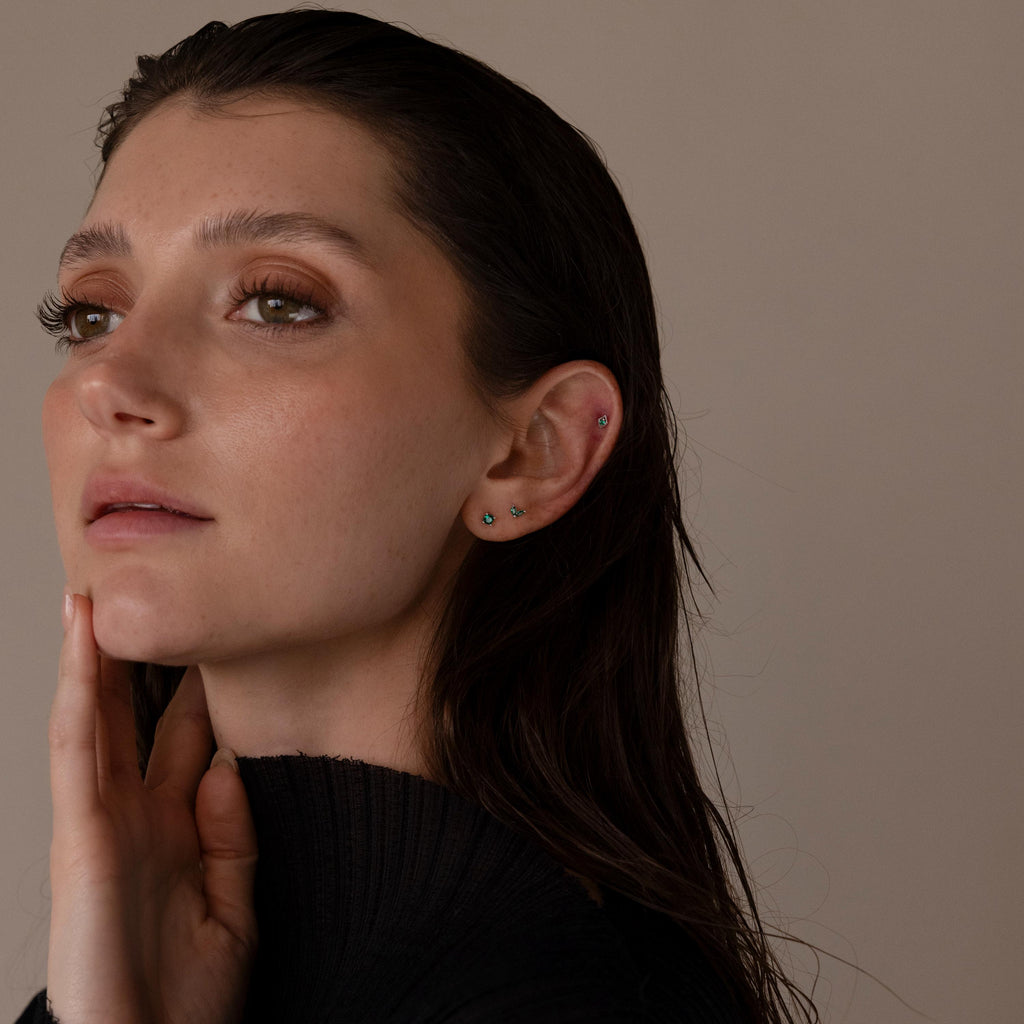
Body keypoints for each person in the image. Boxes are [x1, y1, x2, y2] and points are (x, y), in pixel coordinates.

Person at [19, 10, 817, 1023]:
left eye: (276, 302)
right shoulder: (120, 985)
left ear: (534, 450)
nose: (111, 382)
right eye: (93, 313)